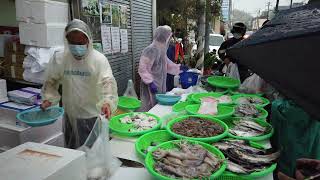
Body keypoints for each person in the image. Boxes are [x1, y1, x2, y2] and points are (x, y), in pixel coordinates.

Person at [41, 19, 118, 149]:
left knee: (93, 153)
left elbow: (108, 82)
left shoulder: (98, 59)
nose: (76, 46)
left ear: (88, 40)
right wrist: (49, 98)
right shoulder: (60, 58)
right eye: (72, 42)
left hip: (92, 116)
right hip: (70, 116)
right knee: (73, 154)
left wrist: (107, 102)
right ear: (67, 41)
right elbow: (51, 80)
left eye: (81, 43)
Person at [138, 25, 182, 111]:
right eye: (168, 36)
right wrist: (150, 82)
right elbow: (143, 68)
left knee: (158, 106)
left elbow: (166, 63)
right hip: (150, 85)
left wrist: (179, 68)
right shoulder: (150, 50)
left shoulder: (161, 49)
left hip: (159, 83)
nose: (170, 39)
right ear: (164, 37)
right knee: (149, 106)